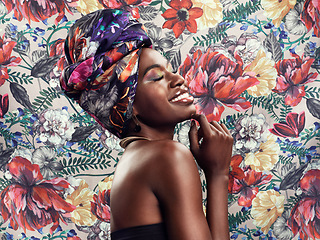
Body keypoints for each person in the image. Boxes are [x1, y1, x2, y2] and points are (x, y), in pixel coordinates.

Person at [60, 8, 233, 240]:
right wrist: (218, 174)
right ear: (126, 102)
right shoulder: (167, 155)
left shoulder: (135, 159)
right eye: (156, 77)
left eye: (169, 70)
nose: (178, 79)